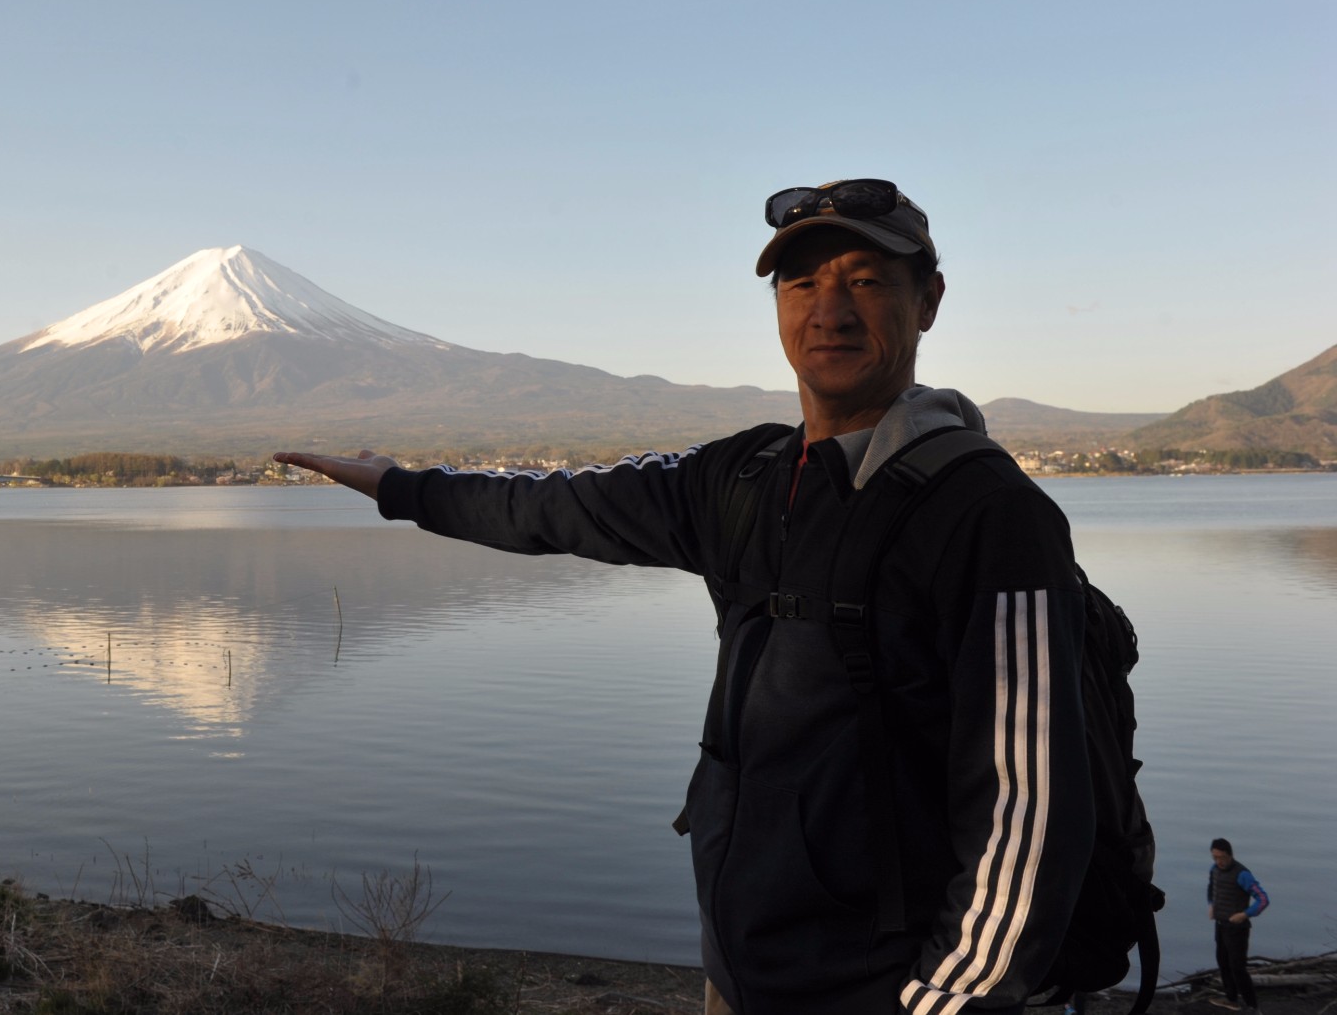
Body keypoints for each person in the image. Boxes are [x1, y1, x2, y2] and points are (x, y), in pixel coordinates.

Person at [276, 180, 1093, 1015]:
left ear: (929, 301)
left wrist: (946, 1004)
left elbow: (1029, 806)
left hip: (886, 993)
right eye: (801, 284)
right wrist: (402, 487)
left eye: (866, 280)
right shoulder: (741, 479)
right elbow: (551, 506)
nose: (830, 311)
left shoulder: (989, 513)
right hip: (741, 977)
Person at [1206, 838, 1268, 1010]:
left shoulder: (1242, 874)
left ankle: (1252, 1006)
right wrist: (1211, 905)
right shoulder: (1214, 870)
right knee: (1223, 963)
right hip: (1220, 925)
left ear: (1230, 855)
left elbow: (1263, 900)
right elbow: (1211, 888)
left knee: (1238, 968)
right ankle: (1231, 999)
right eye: (1215, 857)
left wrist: (1245, 914)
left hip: (1237, 929)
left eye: (1222, 857)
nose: (1219, 861)